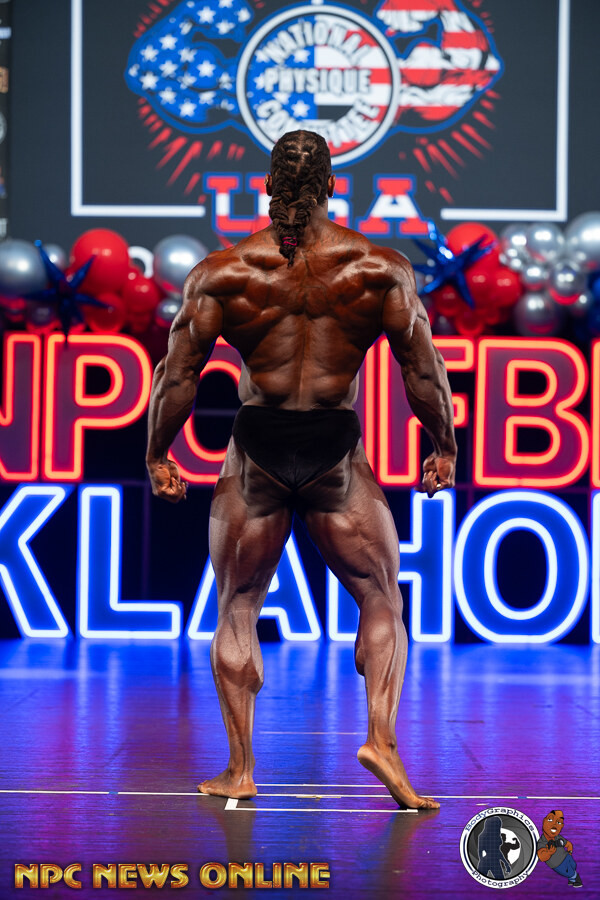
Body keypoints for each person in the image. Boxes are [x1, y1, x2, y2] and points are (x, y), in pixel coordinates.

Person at [146, 130, 457, 810]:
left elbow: (178, 376)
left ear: (266, 186)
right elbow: (422, 369)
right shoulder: (378, 268)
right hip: (333, 448)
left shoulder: (224, 272)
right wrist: (444, 446)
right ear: (331, 186)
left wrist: (157, 454)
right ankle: (380, 740)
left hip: (257, 446)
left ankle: (241, 769)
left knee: (238, 604)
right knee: (380, 595)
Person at [537, 810, 583, 888]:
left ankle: (571, 879)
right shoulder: (542, 842)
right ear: (544, 821)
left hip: (566, 856)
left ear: (562, 826)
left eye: (559, 822)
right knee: (569, 873)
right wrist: (549, 853)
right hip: (557, 864)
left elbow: (568, 844)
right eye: (550, 819)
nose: (554, 824)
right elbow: (541, 857)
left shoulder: (558, 837)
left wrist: (570, 852)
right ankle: (576, 878)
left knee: (573, 865)